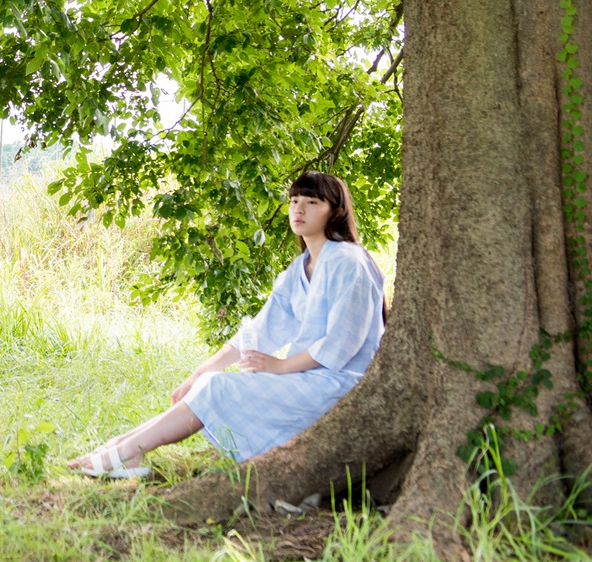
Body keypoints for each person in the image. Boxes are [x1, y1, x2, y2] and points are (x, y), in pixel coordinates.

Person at [67, 171, 386, 477]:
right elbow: (261, 329)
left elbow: (341, 345)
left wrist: (280, 366)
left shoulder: (348, 260)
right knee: (209, 381)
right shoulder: (299, 268)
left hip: (340, 384)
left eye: (312, 202)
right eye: (294, 201)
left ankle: (126, 451)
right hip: (308, 379)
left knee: (217, 388)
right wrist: (200, 371)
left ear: (335, 212)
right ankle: (120, 447)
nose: (299, 209)